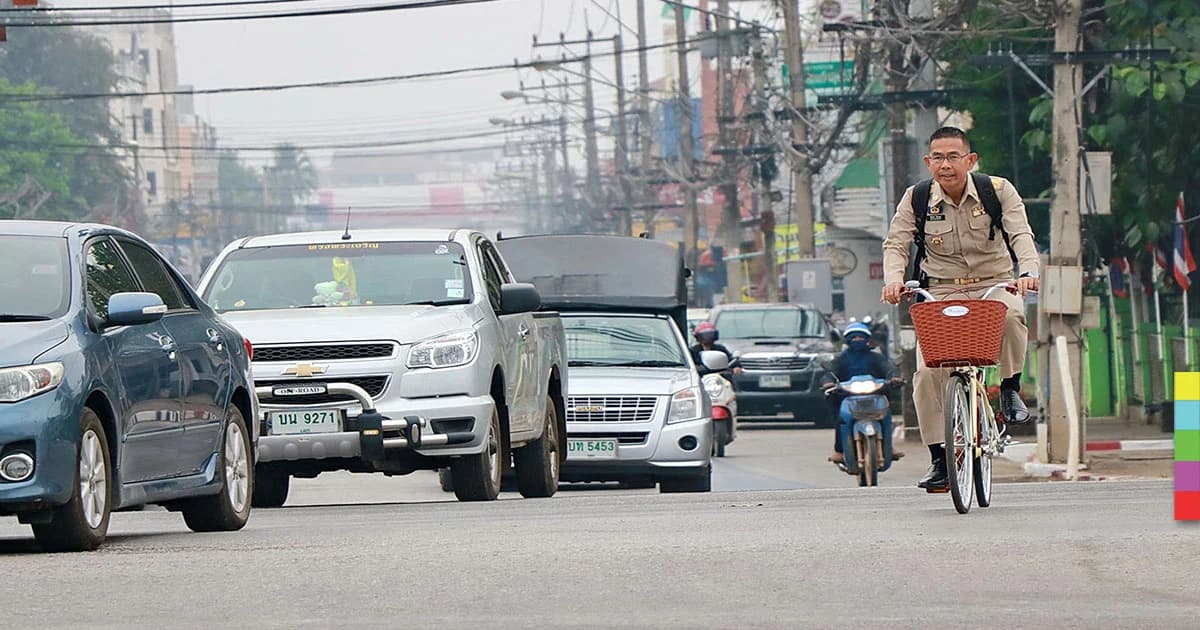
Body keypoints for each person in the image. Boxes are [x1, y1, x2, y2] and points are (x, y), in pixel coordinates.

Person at [881, 126, 1040, 491]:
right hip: (941, 290)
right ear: (928, 162)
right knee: (926, 373)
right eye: (938, 158)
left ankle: (1010, 388)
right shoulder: (917, 198)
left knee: (1013, 314)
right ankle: (939, 458)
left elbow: (1020, 234)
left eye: (954, 157)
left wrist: (1028, 271)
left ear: (970, 160)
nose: (946, 165)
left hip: (993, 284)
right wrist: (893, 280)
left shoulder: (997, 191)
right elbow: (896, 244)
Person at [820, 323, 904, 464]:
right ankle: (839, 451)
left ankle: (888, 447)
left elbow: (888, 368)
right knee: (841, 419)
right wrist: (828, 382)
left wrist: (894, 377)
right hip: (847, 395)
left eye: (861, 337)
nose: (857, 340)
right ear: (848, 340)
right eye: (854, 337)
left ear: (867, 339)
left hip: (875, 394)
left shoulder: (876, 357)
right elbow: (830, 373)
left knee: (886, 415)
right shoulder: (840, 359)